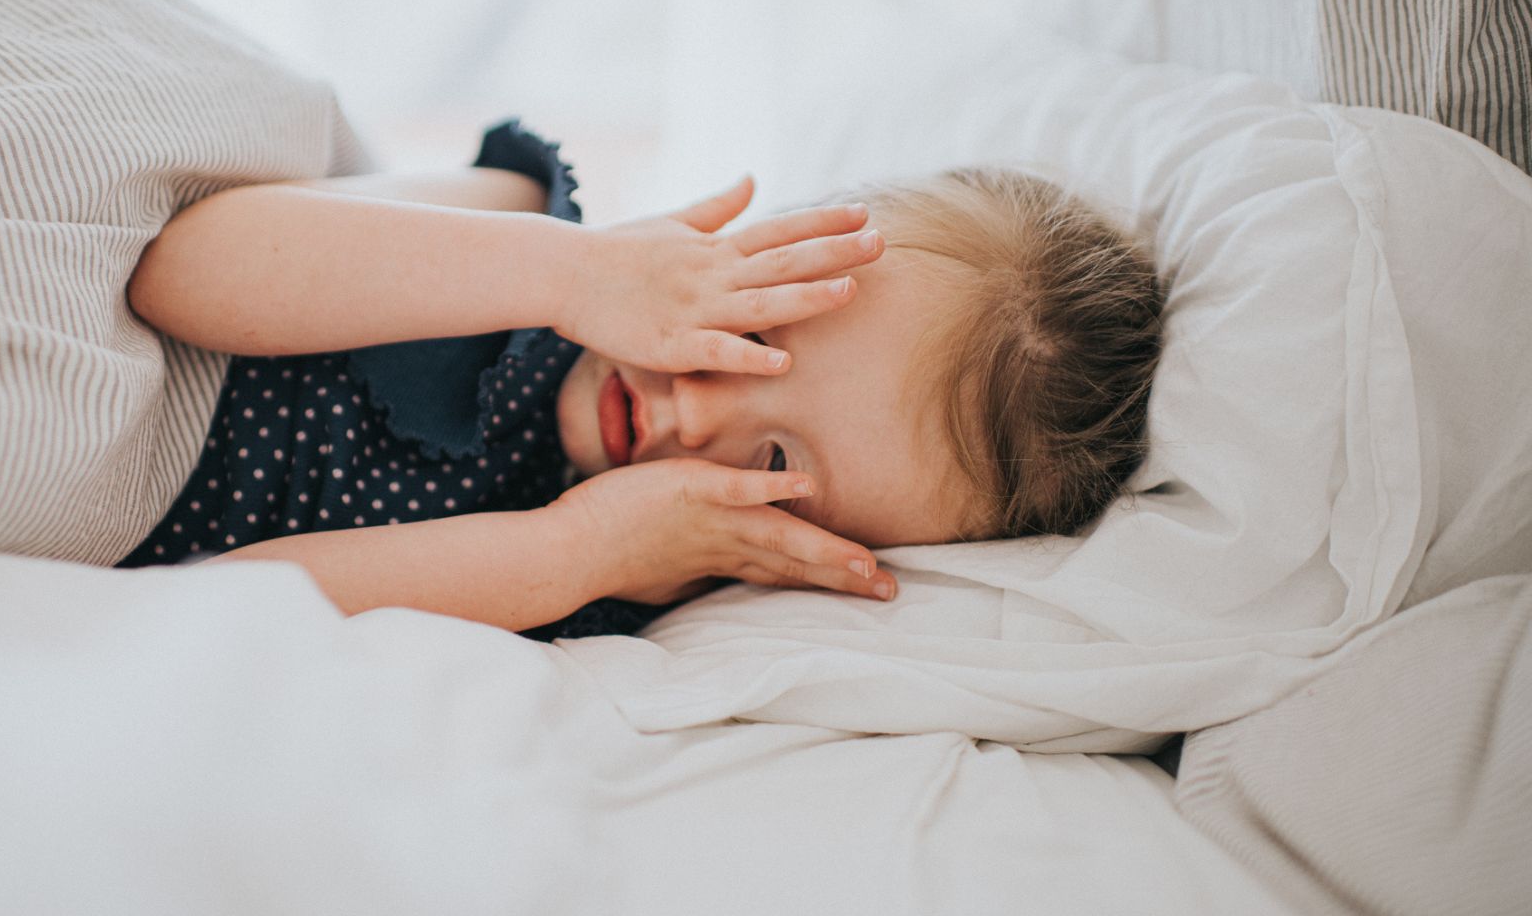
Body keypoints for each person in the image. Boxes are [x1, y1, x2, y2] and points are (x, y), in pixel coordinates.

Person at [118, 123, 1164, 639]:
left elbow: (205, 618)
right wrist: (571, 270)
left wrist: (574, 550)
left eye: (776, 461)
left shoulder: (595, 592)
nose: (698, 405)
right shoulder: (524, 238)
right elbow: (180, 268)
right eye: (754, 326)